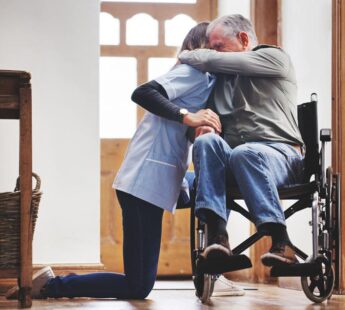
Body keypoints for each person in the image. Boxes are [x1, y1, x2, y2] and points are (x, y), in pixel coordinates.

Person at [6, 22, 242, 300]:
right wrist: (187, 116)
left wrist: (199, 127)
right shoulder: (193, 73)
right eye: (213, 46)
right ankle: (51, 286)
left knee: (216, 185)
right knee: (138, 286)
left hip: (160, 181)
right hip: (142, 188)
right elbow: (142, 93)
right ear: (202, 47)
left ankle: (214, 264)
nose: (218, 53)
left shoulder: (206, 81)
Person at [178, 14, 305, 267]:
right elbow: (202, 130)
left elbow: (205, 59)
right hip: (238, 162)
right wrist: (202, 131)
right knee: (208, 144)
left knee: (245, 153)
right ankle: (217, 237)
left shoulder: (274, 58)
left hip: (282, 157)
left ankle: (281, 240)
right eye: (212, 49)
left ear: (243, 39)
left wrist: (185, 55)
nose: (214, 54)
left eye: (218, 47)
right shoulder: (220, 83)